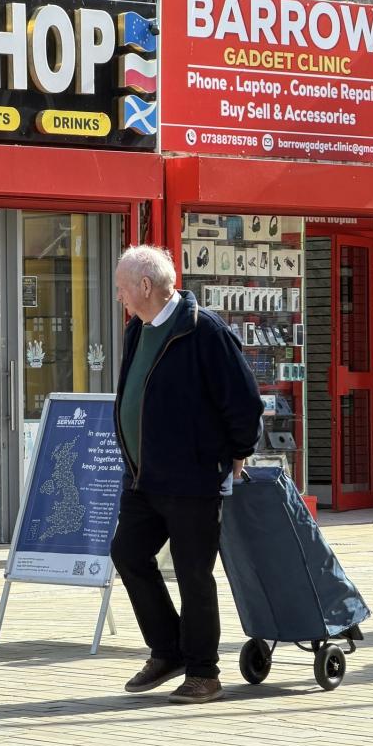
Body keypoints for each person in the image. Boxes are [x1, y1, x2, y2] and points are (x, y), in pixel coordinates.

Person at [111, 246, 263, 705]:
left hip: (193, 474)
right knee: (128, 553)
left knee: (194, 573)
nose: (119, 295)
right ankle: (168, 650)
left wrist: (240, 451)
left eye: (122, 287)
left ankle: (203, 672)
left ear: (146, 286)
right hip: (143, 476)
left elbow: (243, 399)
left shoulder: (204, 330)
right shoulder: (138, 328)